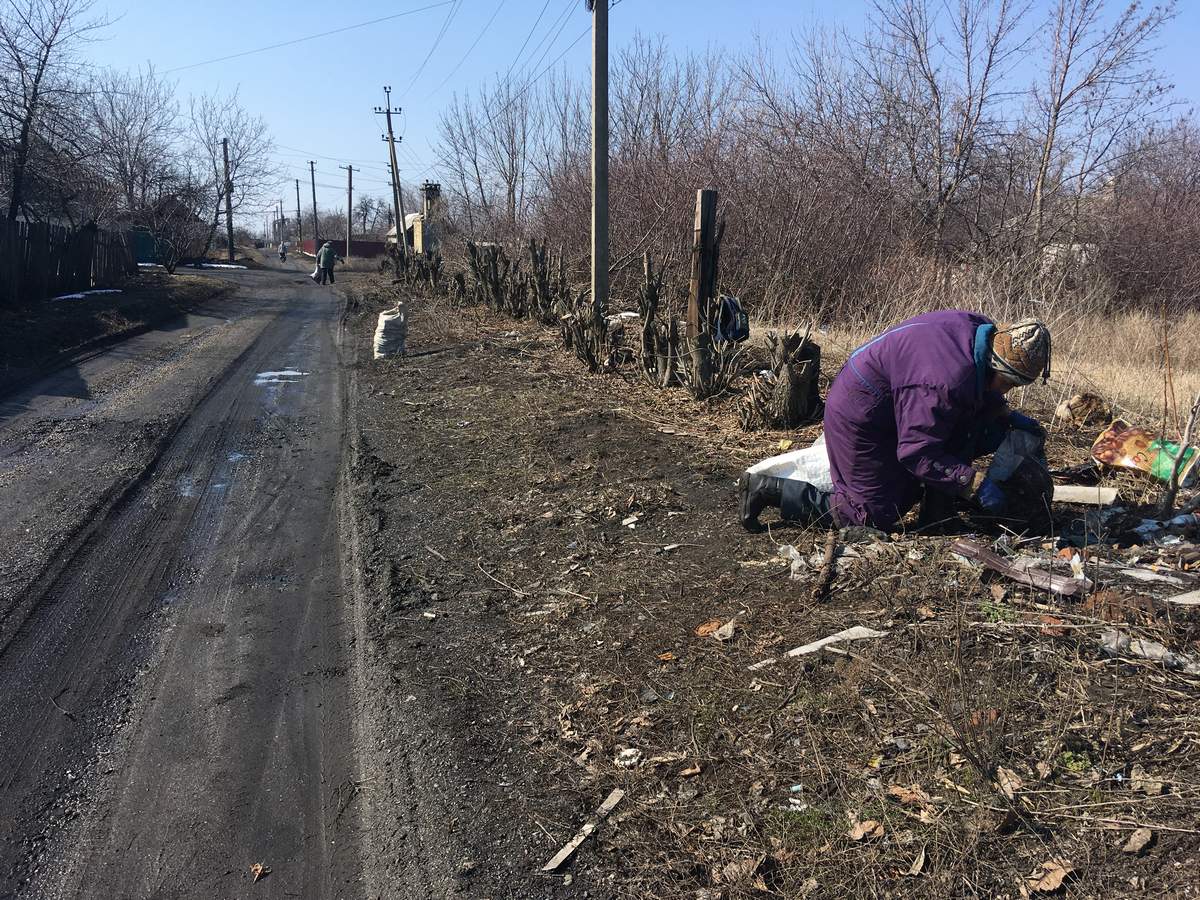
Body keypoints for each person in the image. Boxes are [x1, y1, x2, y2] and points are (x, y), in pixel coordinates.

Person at [739, 312, 1051, 532]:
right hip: (862, 415)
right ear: (995, 363)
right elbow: (917, 453)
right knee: (871, 515)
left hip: (901, 406)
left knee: (969, 427)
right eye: (1008, 384)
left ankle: (937, 515)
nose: (1007, 392)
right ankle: (768, 489)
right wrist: (973, 483)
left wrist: (1006, 414)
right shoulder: (943, 382)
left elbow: (972, 401)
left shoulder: (981, 334)